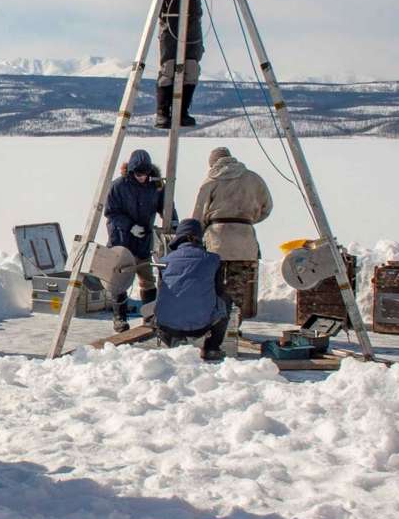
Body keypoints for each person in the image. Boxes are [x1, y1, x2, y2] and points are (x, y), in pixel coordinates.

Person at [140, 0, 215, 128]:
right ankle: (162, 112)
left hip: (192, 21)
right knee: (169, 67)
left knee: (191, 67)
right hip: (170, 21)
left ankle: (182, 112)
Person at [192, 147, 273, 327]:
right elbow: (267, 207)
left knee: (215, 285)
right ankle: (232, 326)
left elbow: (198, 214)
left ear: (212, 163)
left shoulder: (210, 181)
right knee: (237, 288)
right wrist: (247, 220)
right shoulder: (253, 178)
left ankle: (216, 328)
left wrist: (196, 234)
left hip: (217, 239)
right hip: (245, 238)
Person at [103, 149, 173, 331]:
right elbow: (110, 213)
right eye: (138, 174)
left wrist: (173, 223)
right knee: (119, 279)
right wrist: (129, 226)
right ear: (131, 171)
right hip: (121, 240)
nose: (142, 177)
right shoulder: (118, 186)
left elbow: (166, 207)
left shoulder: (156, 186)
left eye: (145, 173)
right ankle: (119, 318)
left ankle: (149, 316)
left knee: (146, 277)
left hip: (143, 240)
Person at [154, 218, 230, 361]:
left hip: (166, 326)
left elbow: (161, 290)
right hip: (200, 327)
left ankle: (173, 339)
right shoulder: (213, 260)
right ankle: (212, 348)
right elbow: (219, 290)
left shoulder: (164, 261)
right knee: (225, 300)